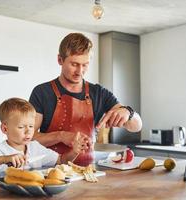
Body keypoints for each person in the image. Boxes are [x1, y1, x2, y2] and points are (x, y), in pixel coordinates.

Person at [29, 33, 142, 166]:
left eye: (85, 65)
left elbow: (137, 126)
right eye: (74, 64)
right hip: (50, 171)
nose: (80, 71)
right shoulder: (42, 92)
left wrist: (128, 112)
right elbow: (29, 138)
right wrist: (60, 135)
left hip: (88, 171)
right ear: (60, 60)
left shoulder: (99, 93)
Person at [0, 97, 85, 176]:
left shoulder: (35, 147)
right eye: (21, 127)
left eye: (31, 127)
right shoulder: (0, 150)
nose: (28, 132)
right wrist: (4, 159)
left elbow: (61, 160)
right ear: (5, 129)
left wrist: (75, 151)